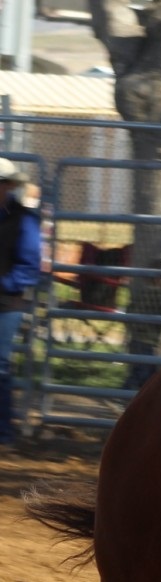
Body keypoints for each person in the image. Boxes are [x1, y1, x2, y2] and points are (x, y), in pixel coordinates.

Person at [0, 158, 42, 447]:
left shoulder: (23, 220)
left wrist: (4, 284)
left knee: (0, 365)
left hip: (6, 303)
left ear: (9, 186)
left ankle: (4, 430)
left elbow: (28, 266)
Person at [124, 258, 161, 391]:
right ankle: (124, 393)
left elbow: (130, 311)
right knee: (143, 372)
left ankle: (139, 399)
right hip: (145, 341)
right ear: (159, 279)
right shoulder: (156, 296)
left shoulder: (142, 293)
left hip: (140, 339)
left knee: (149, 373)